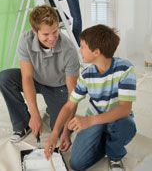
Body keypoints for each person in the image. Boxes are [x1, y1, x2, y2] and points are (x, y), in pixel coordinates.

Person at [44, 24, 137, 171]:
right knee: (76, 164)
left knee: (126, 125)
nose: (79, 50)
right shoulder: (86, 74)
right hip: (95, 121)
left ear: (96, 52)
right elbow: (69, 105)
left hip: (117, 120)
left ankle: (114, 155)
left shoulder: (125, 69)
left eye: (82, 47)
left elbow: (125, 109)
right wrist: (56, 133)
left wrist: (89, 120)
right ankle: (106, 143)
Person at [0, 5, 80, 145]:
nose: (52, 38)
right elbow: (27, 77)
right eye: (46, 34)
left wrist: (65, 130)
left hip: (58, 86)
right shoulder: (26, 40)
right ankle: (22, 124)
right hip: (36, 79)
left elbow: (73, 94)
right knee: (4, 78)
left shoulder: (69, 49)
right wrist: (34, 114)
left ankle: (53, 110)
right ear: (35, 31)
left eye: (55, 31)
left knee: (59, 130)